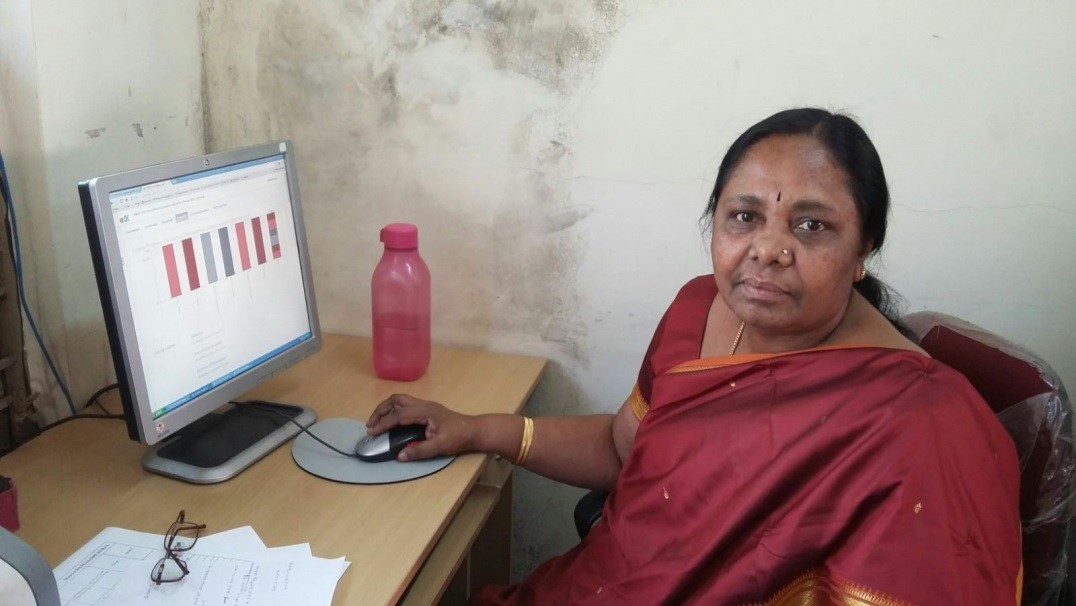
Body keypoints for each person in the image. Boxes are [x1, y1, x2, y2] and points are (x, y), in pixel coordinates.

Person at [366, 108, 1022, 604]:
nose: (768, 248)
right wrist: (478, 429)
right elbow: (628, 453)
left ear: (864, 249)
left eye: (811, 224)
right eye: (743, 218)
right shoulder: (695, 308)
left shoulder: (922, 425)